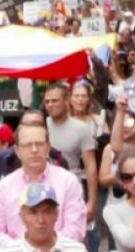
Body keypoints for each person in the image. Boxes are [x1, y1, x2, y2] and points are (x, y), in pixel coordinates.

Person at [0, 122, 87, 250]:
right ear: (17, 151)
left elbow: (75, 228)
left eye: (39, 144)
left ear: (48, 147)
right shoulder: (5, 186)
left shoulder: (68, 181)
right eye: (27, 145)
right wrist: (20, 248)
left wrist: (48, 246)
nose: (34, 150)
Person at [43, 86, 99, 243]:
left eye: (54, 100)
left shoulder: (82, 129)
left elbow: (91, 166)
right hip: (44, 189)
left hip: (72, 189)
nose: (50, 105)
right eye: (47, 101)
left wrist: (92, 201)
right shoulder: (40, 125)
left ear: (66, 101)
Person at [0, 183, 89, 252]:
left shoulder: (76, 249)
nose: (41, 220)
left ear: (56, 214)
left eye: (47, 212)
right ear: (22, 217)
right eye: (33, 212)